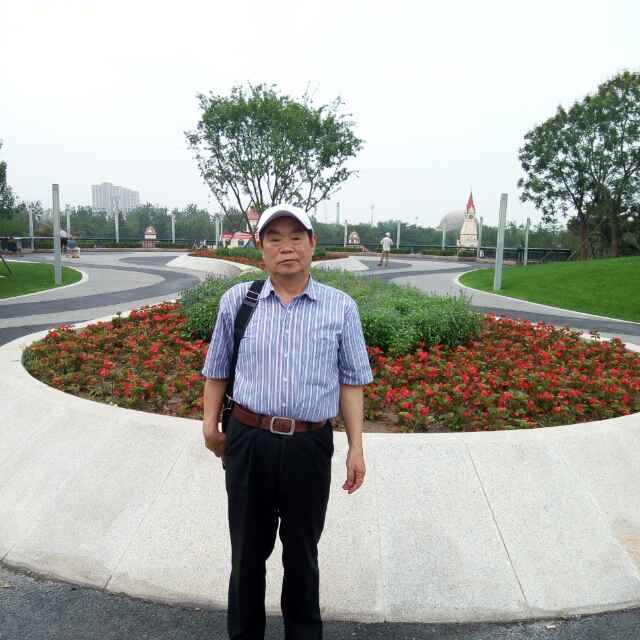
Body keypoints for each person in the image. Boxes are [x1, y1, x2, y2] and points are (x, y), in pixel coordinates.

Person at [201, 204, 372, 640]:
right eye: (274, 239)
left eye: (296, 237)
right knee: (246, 553)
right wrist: (209, 426)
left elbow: (352, 382)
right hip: (248, 440)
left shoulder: (340, 308)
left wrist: (356, 446)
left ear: (312, 244)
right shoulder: (238, 302)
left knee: (302, 555)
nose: (286, 247)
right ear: (261, 249)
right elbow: (216, 369)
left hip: (309, 446)